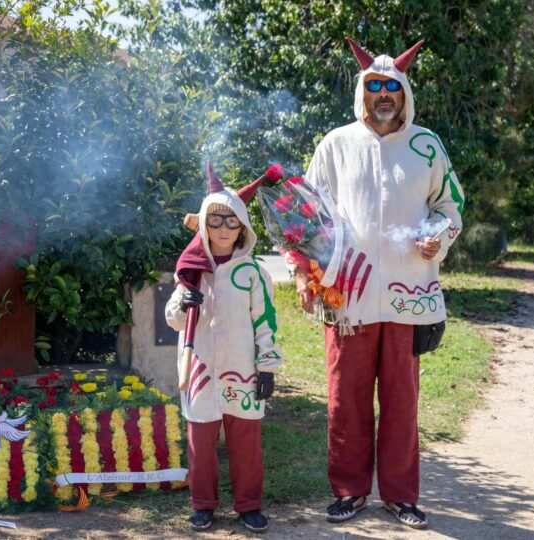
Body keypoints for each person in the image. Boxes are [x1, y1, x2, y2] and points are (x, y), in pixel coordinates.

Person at [294, 37, 465, 530]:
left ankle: (399, 495)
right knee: (344, 398)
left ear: (405, 92)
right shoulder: (335, 144)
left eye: (392, 86)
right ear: (362, 93)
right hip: (347, 295)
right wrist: (307, 272)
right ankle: (349, 492)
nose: (384, 94)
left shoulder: (427, 145)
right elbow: (310, 216)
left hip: (410, 296)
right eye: (375, 86)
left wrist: (439, 235)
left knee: (401, 401)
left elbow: (449, 206)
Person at [166, 163, 281, 533]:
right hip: (200, 368)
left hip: (243, 368)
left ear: (244, 227)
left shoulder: (253, 273)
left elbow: (266, 323)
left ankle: (248, 505)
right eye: (216, 221)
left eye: (232, 222)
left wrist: (267, 366)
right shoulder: (190, 270)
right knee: (201, 439)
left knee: (246, 440)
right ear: (203, 224)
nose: (224, 230)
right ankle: (203, 504)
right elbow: (173, 317)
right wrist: (182, 304)